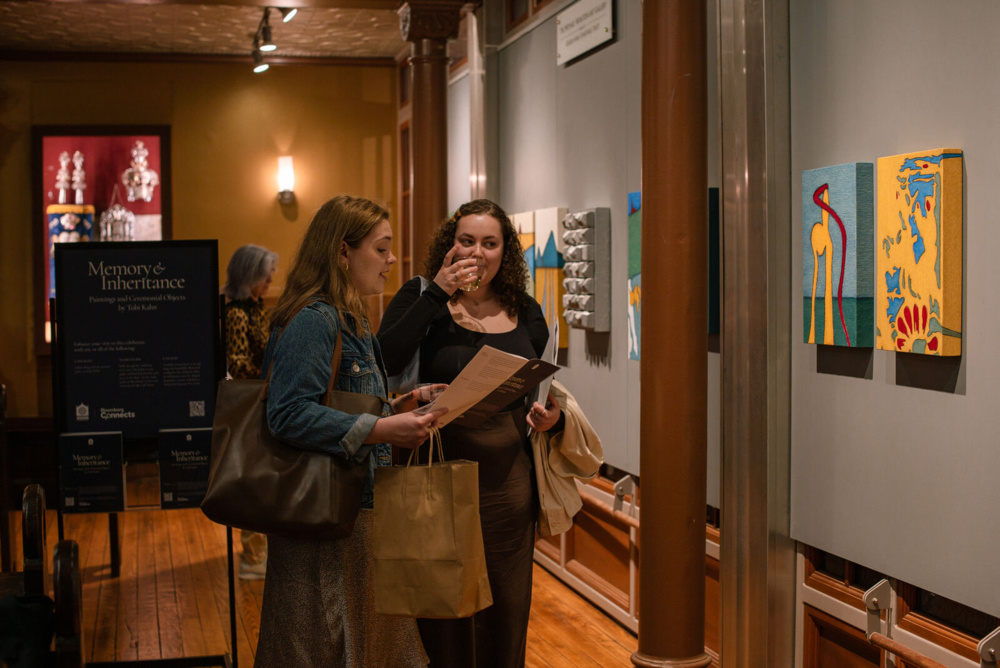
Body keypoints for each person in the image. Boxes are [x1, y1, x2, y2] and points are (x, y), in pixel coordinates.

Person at [254, 195, 446, 667]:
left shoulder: (351, 318)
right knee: (325, 647)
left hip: (355, 517)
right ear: (344, 252)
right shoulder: (313, 320)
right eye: (381, 249)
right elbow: (289, 413)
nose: (392, 261)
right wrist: (382, 428)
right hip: (323, 525)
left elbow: (339, 399)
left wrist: (405, 402)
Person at [378, 199, 564, 668]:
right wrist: (438, 293)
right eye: (466, 240)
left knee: (507, 611)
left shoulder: (525, 310)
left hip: (508, 483)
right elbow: (386, 360)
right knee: (444, 615)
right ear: (450, 244)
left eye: (489, 242)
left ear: (505, 251)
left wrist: (550, 419)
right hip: (438, 476)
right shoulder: (422, 297)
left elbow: (541, 388)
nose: (477, 251)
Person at [221, 244, 277, 580]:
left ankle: (260, 554)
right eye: (265, 272)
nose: (271, 278)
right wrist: (272, 376)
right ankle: (253, 558)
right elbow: (238, 365)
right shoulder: (238, 314)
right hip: (251, 405)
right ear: (248, 275)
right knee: (254, 481)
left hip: (264, 402)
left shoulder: (256, 309)